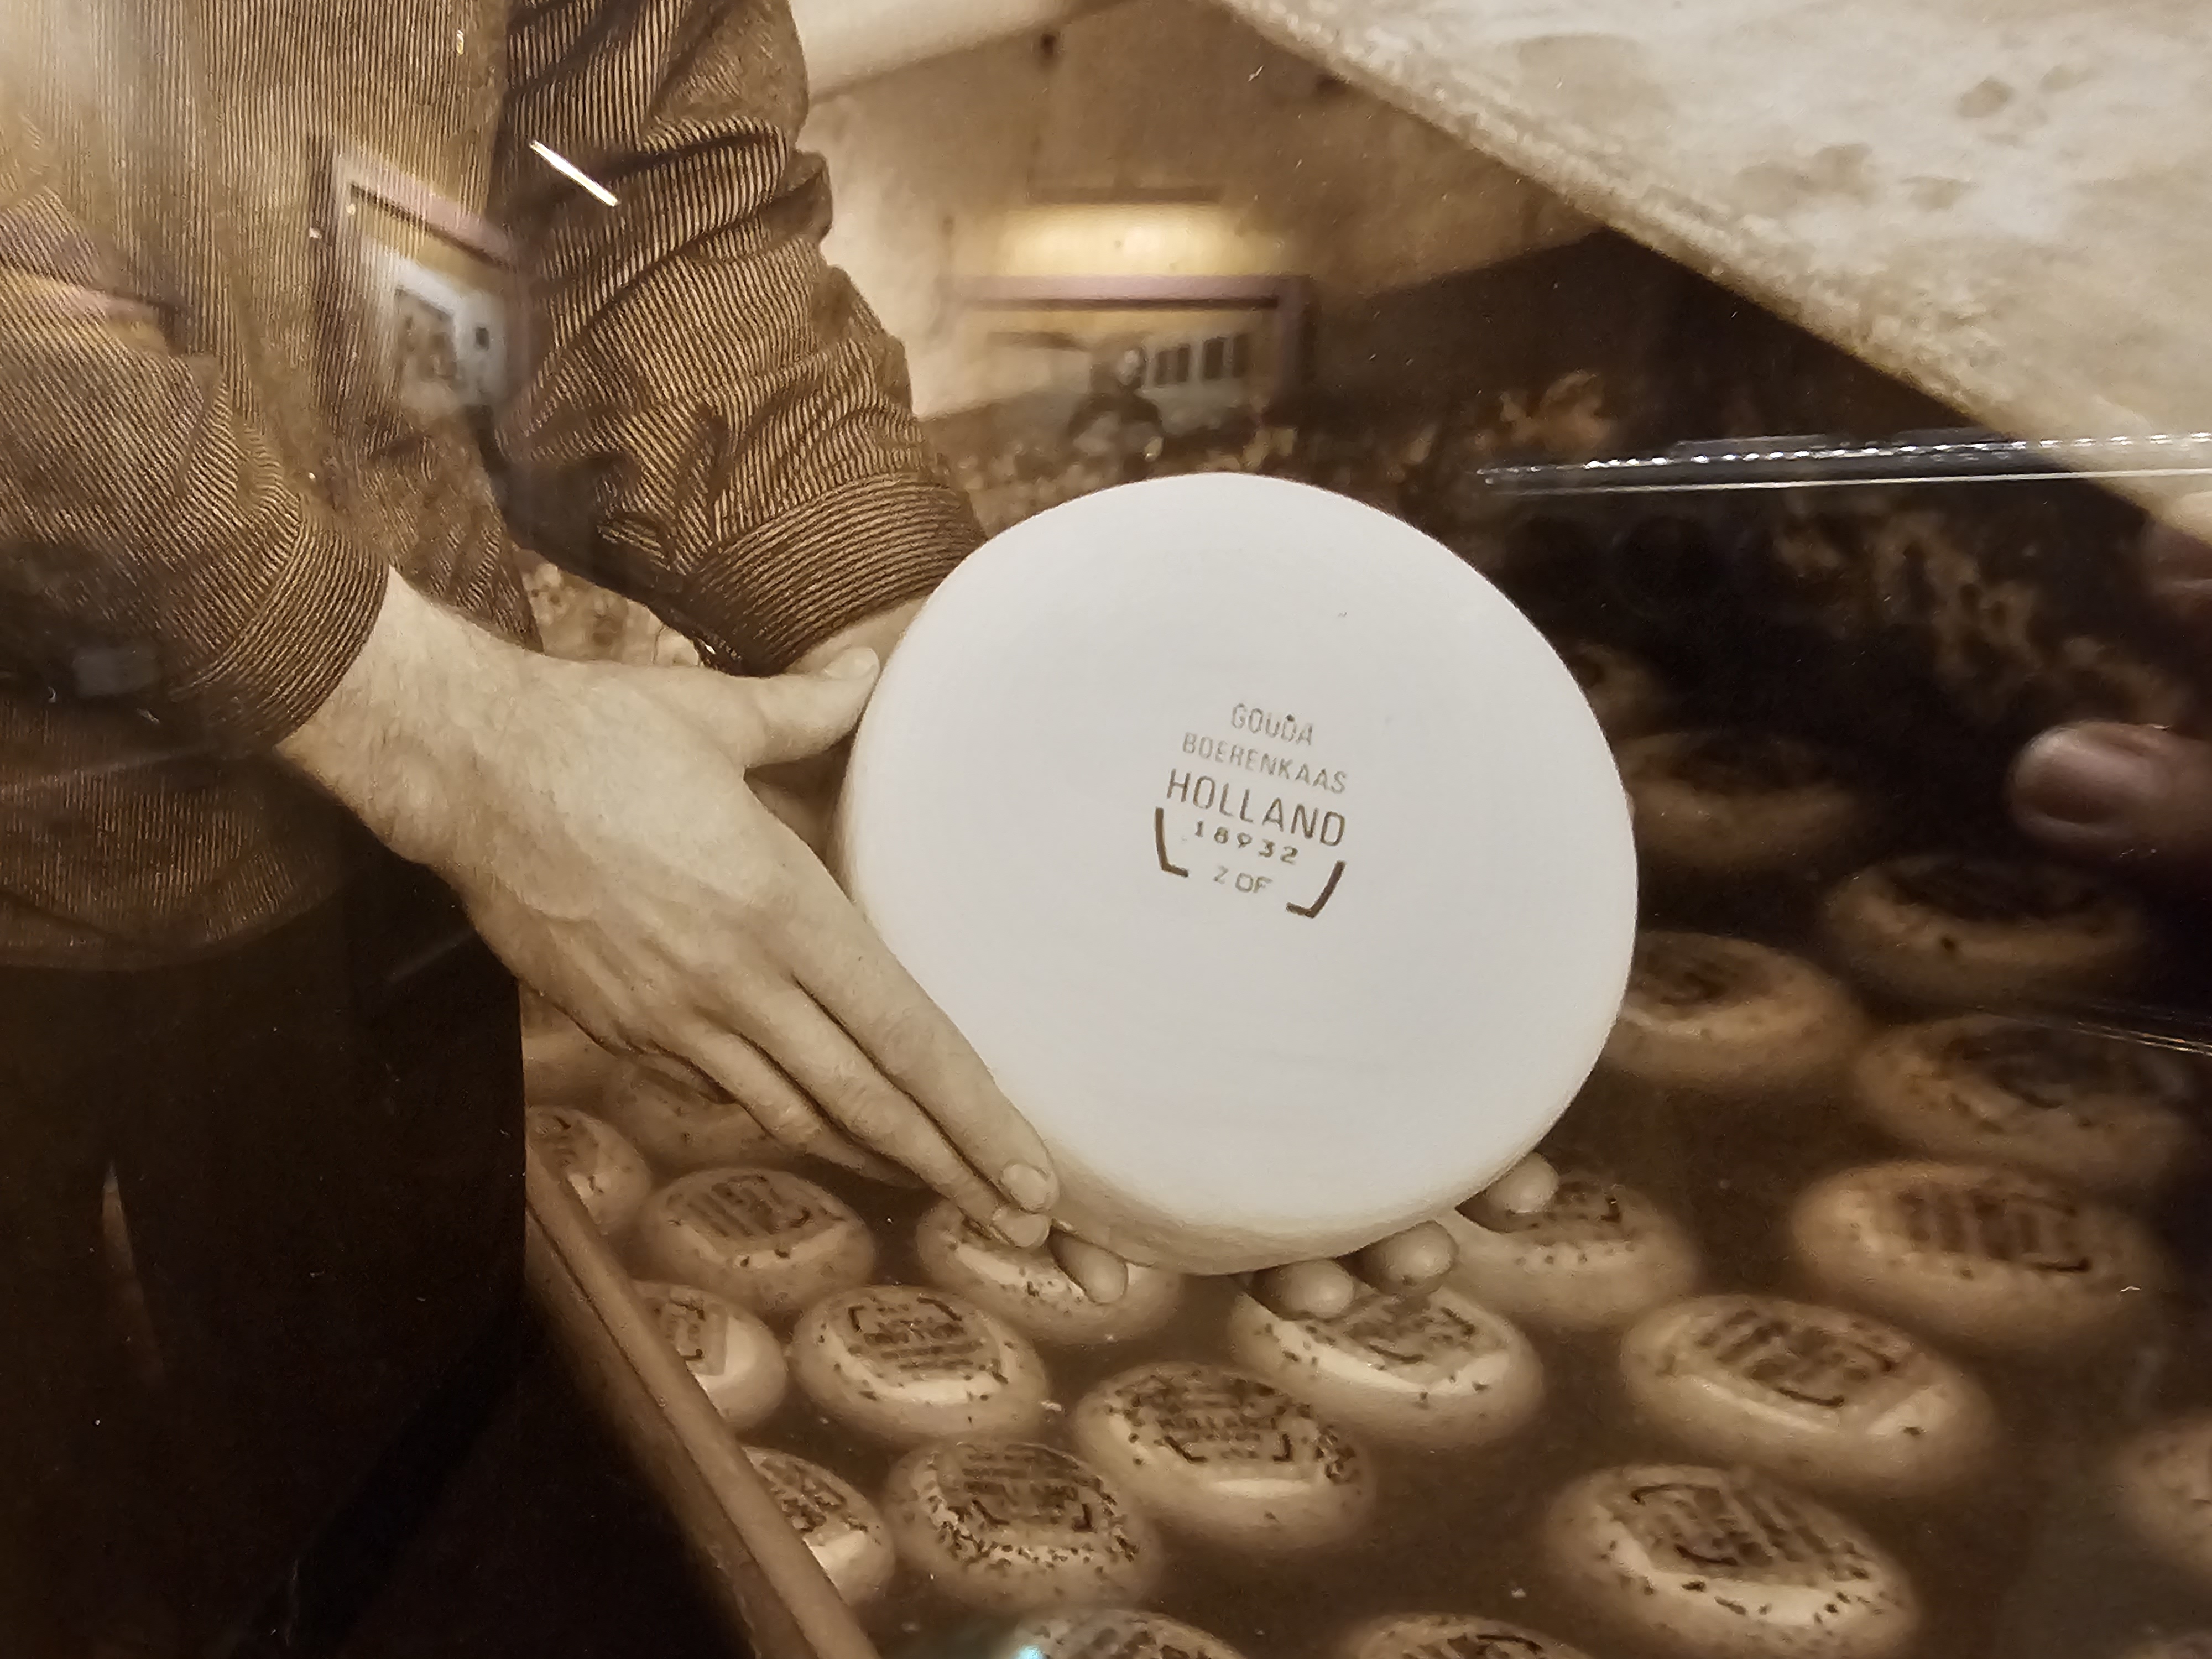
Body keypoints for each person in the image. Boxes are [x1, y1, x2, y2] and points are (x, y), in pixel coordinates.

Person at [0, 1, 1549, 1650]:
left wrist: (966, 715)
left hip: (380, 895)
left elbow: (630, 187)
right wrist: (450, 742)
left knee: (390, 1543)